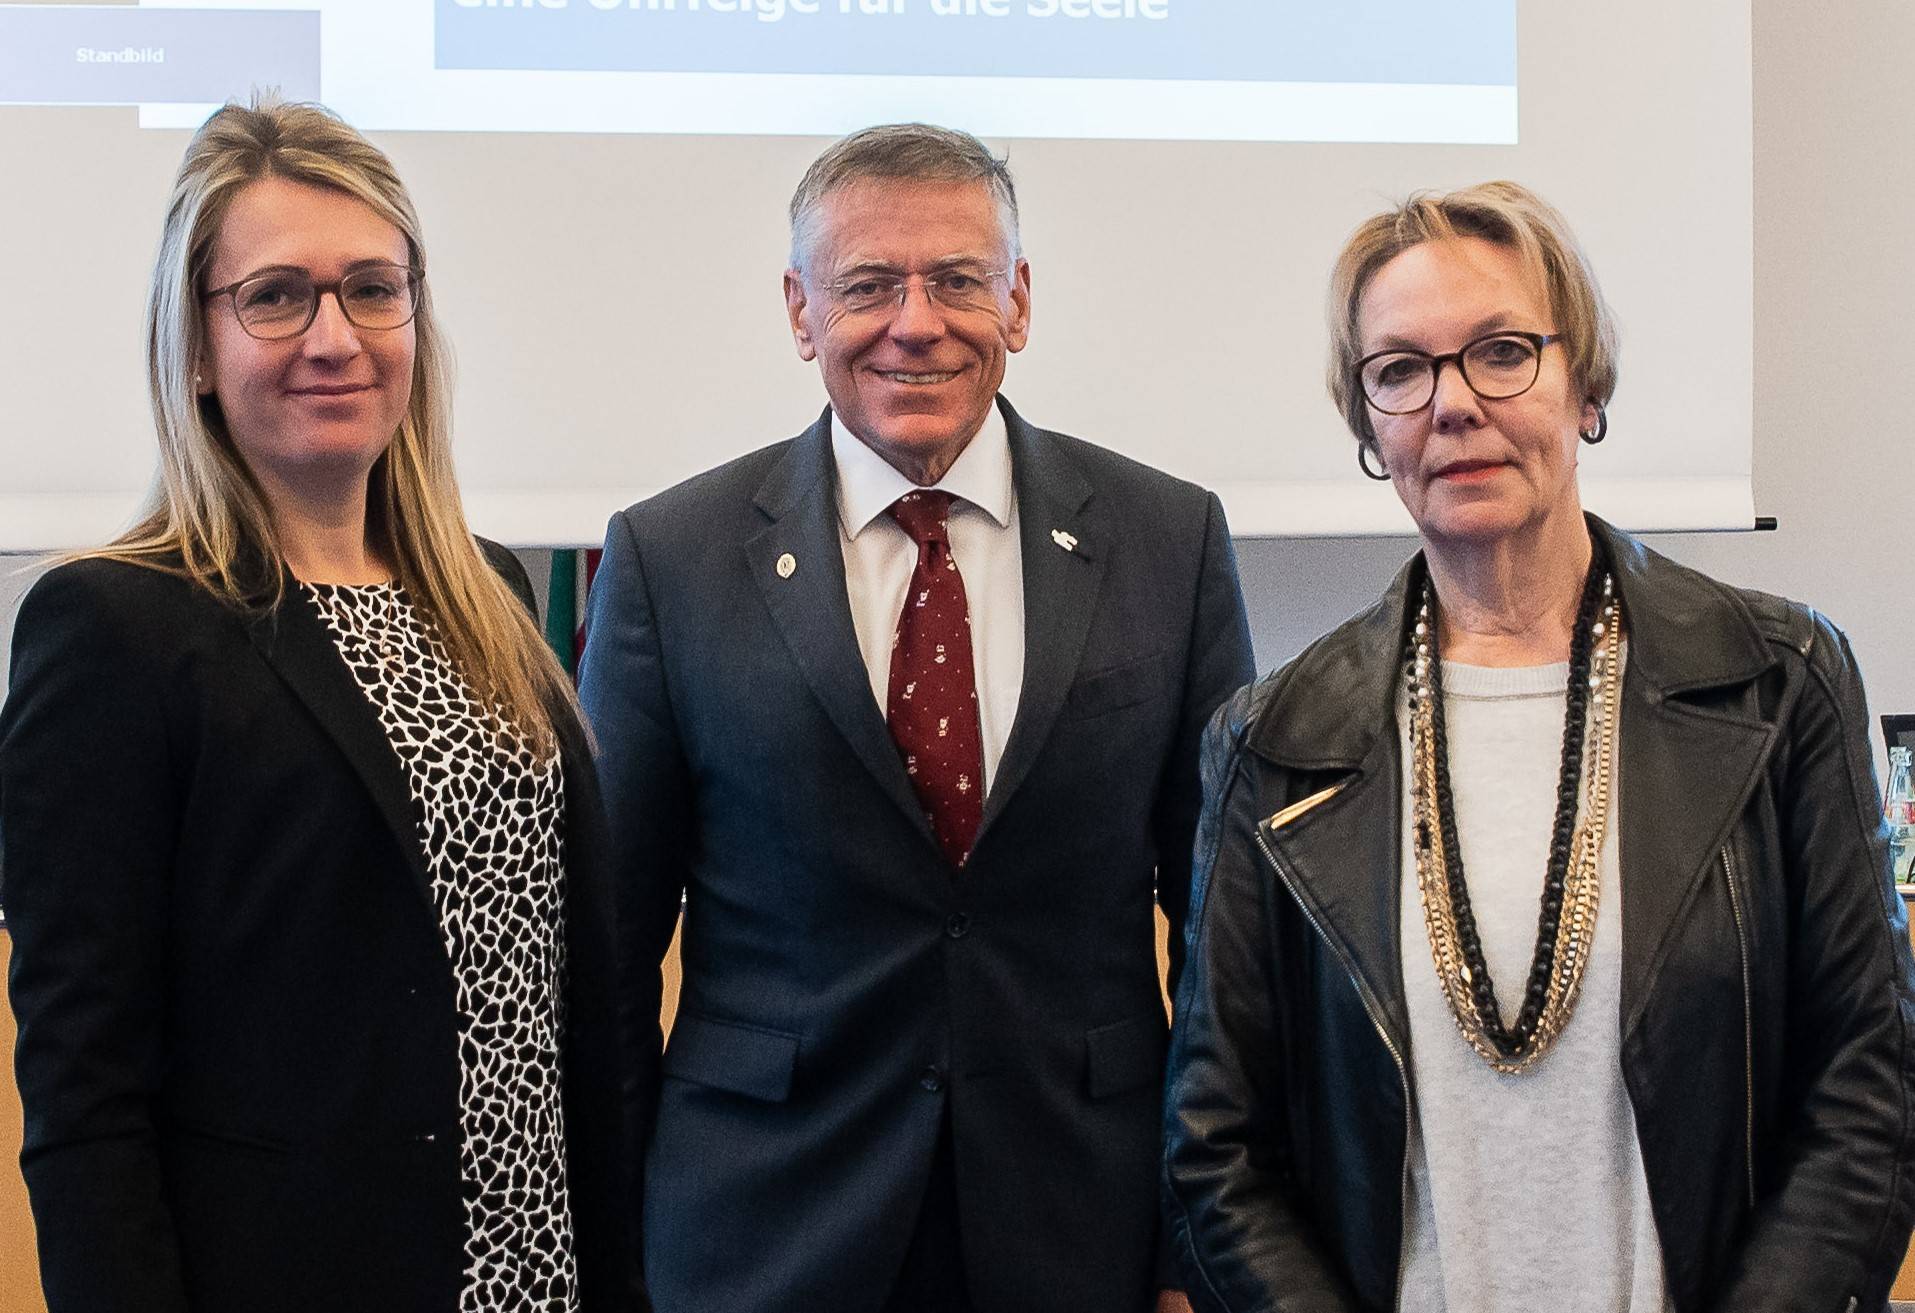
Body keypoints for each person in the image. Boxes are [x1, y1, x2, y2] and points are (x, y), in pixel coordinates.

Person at [1161, 178, 1915, 1313]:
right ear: (1368, 425)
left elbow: (1872, 1079)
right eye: (1400, 370)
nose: (1451, 403)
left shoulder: (1779, 679)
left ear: (1586, 385)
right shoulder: (1273, 738)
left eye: (1500, 351)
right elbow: (1216, 1146)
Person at [579, 122, 1254, 1313]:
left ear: (1019, 298)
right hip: (758, 1227)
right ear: (800, 312)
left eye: (956, 279)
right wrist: (621, 1250)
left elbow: (1221, 940)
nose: (915, 321)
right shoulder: (668, 558)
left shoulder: (1169, 539)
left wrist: (1189, 1245)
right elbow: (613, 950)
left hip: (1077, 1219)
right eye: (867, 285)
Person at [0, 98, 630, 1313]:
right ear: (195, 344)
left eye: (371, 290)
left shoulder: (489, 593)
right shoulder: (116, 628)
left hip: (539, 1276)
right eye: (277, 294)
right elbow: (85, 1094)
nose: (333, 336)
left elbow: (573, 1003)